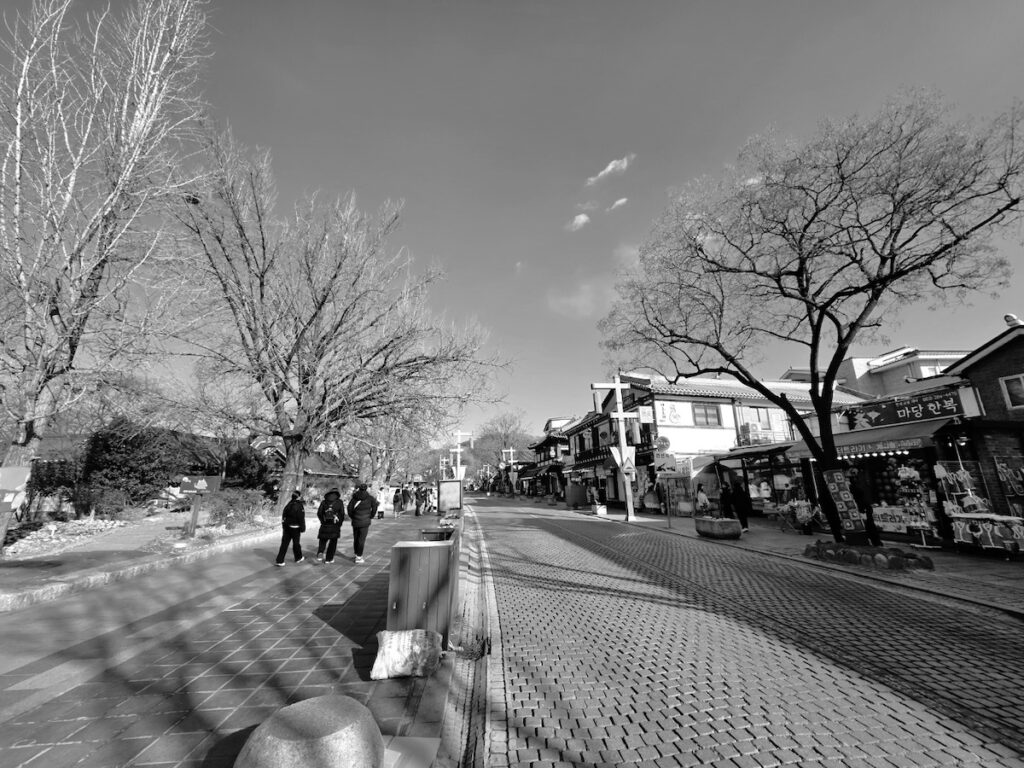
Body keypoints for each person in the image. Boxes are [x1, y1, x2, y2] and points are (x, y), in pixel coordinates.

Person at [347, 482, 379, 564]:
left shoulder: (354, 498)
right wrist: (371, 516)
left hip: (356, 521)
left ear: (359, 489)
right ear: (366, 489)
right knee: (362, 539)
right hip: (365, 521)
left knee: (356, 538)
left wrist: (353, 517)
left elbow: (349, 508)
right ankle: (359, 556)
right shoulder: (370, 498)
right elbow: (374, 508)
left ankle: (356, 553)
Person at [275, 491, 306, 566]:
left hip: (287, 527)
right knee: (296, 544)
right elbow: (301, 518)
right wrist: (302, 528)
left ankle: (280, 560)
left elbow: (284, 516)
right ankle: (298, 557)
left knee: (284, 544)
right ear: (298, 497)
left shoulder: (288, 504)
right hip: (295, 528)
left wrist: (284, 525)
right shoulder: (299, 506)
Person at [315, 487, 345, 563]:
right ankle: (329, 559)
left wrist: (322, 521)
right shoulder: (339, 502)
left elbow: (319, 513)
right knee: (333, 543)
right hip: (334, 526)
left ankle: (320, 552)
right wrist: (339, 523)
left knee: (323, 540)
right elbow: (342, 514)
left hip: (324, 525)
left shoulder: (324, 502)